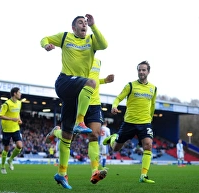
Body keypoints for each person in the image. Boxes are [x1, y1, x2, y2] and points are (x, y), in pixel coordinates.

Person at [42, 14, 108, 189]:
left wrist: (94, 25)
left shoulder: (92, 42)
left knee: (66, 136)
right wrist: (46, 45)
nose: (84, 24)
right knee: (91, 83)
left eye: (85, 23)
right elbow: (45, 38)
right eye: (81, 22)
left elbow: (104, 44)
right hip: (65, 82)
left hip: (79, 94)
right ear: (73, 27)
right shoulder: (65, 37)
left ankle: (61, 174)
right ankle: (81, 120)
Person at [103, 61, 157, 183]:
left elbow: (152, 105)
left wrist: (150, 119)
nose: (141, 72)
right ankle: (113, 137)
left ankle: (143, 175)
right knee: (116, 148)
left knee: (148, 145)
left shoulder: (153, 88)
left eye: (144, 70)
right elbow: (118, 98)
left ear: (148, 71)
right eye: (139, 70)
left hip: (145, 122)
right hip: (129, 122)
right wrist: (114, 106)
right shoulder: (130, 85)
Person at [84, 58, 114, 184]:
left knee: (94, 135)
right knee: (68, 137)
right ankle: (56, 133)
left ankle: (94, 172)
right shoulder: (77, 56)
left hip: (95, 104)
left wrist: (104, 81)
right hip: (80, 102)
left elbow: (93, 80)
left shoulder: (98, 61)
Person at [0, 87, 23, 175]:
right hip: (7, 129)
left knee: (20, 146)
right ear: (14, 94)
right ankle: (2, 167)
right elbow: (0, 116)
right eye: (19, 92)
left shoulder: (19, 103)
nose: (20, 94)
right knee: (6, 149)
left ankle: (10, 159)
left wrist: (19, 119)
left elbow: (17, 113)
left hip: (15, 128)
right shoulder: (6, 104)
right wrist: (11, 119)